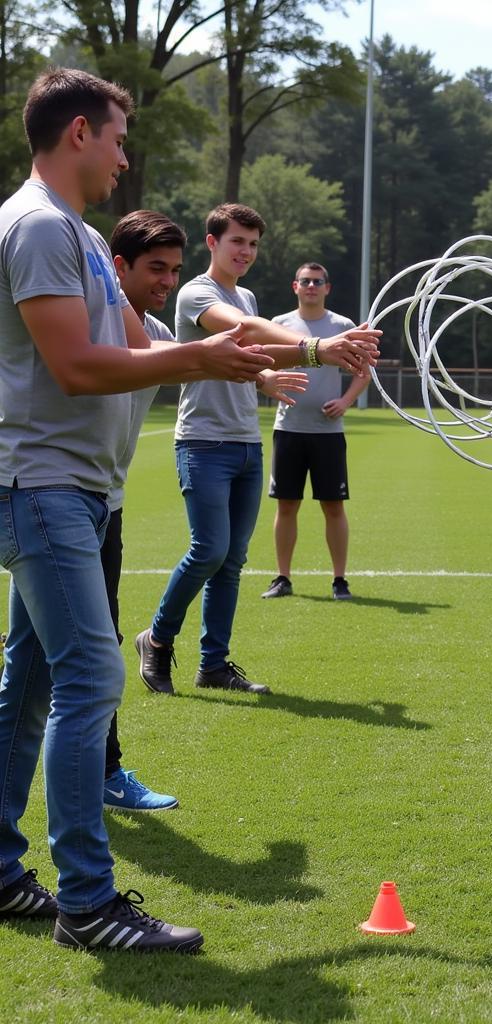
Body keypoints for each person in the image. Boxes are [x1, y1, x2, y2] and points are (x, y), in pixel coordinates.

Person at [0, 67, 275, 952]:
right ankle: (88, 903)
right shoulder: (40, 226)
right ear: (78, 132)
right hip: (40, 487)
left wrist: (291, 348)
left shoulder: (74, 233)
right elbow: (82, 367)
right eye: (117, 137)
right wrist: (205, 364)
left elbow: (144, 341)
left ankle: (2, 875)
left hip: (67, 490)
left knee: (35, 684)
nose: (124, 156)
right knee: (91, 680)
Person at [135, 204, 380, 697]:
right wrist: (318, 348)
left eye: (252, 244)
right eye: (236, 242)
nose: (245, 252)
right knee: (208, 550)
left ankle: (214, 664)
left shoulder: (245, 294)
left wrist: (322, 349)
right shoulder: (197, 293)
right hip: (203, 442)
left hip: (248, 441)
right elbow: (243, 333)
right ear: (212, 243)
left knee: (232, 560)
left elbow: (258, 352)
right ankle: (157, 640)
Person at [100, 210, 191, 813]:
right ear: (118, 267)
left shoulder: (152, 330)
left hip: (104, 504)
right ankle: (104, 774)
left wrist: (306, 355)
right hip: (55, 499)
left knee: (33, 668)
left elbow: (205, 355)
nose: (167, 280)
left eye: (174, 270)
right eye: (155, 268)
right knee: (96, 657)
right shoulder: (84, 322)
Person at [261, 262, 368, 602]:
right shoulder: (279, 325)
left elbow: (364, 370)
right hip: (288, 428)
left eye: (317, 281)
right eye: (305, 281)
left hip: (328, 433)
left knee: (333, 506)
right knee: (286, 506)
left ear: (327, 288)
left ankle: (339, 580)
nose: (311, 286)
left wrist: (346, 401)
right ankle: (282, 577)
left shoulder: (341, 326)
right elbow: (265, 363)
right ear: (295, 286)